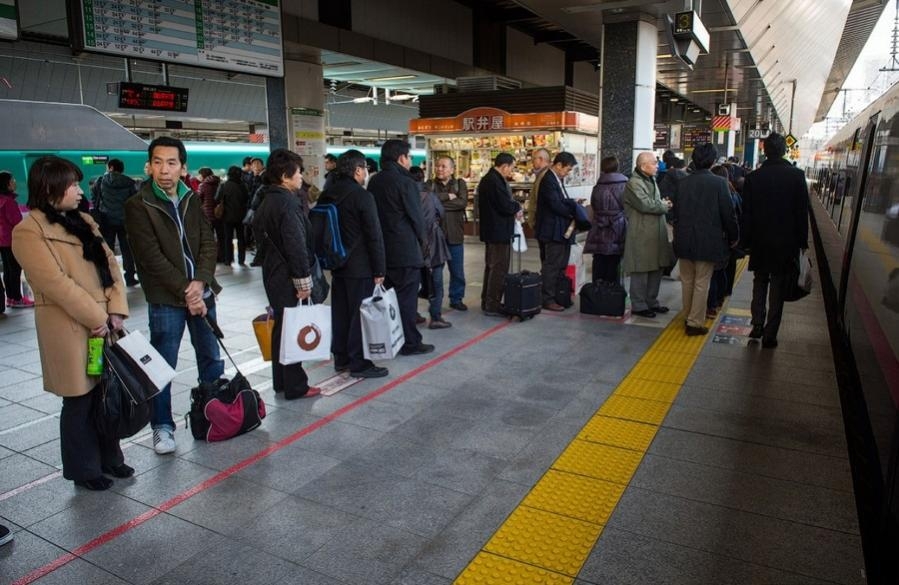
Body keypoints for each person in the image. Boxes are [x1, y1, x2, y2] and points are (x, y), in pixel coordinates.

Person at [12, 155, 130, 489]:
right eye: (73, 184)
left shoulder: (84, 221)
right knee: (80, 398)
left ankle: (112, 458)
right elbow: (55, 283)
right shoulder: (29, 231)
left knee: (107, 389)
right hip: (70, 329)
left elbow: (111, 264)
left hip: (104, 324)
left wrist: (116, 308)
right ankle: (84, 469)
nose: (79, 191)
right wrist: (97, 317)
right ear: (51, 187)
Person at [124, 137, 224, 455]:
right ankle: (162, 427)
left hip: (201, 291)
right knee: (162, 364)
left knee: (210, 357)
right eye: (158, 162)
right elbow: (150, 257)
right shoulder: (138, 205)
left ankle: (214, 414)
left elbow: (208, 242)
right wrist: (187, 289)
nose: (164, 170)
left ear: (183, 167)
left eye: (171, 163)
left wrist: (201, 282)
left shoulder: (191, 198)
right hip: (167, 298)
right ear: (148, 165)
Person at [252, 149, 323, 397]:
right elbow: (296, 244)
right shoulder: (288, 203)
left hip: (272, 273)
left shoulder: (266, 199)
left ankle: (281, 380)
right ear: (285, 176)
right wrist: (303, 281)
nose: (301, 177)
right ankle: (296, 385)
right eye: (298, 172)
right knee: (292, 327)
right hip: (287, 276)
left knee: (282, 326)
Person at [317, 150, 389, 378]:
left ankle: (341, 358)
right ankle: (359, 363)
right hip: (360, 266)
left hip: (337, 263)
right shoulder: (362, 196)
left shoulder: (327, 193)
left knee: (341, 312)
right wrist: (379, 269)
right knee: (359, 315)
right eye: (365, 169)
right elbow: (374, 235)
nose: (366, 173)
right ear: (358, 170)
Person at [741, 133, 809, 348]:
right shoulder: (797, 176)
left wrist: (746, 241)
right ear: (784, 151)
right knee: (778, 286)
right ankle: (770, 334)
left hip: (760, 241)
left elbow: (747, 214)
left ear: (764, 150)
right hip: (786, 243)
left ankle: (757, 325)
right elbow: (801, 213)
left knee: (759, 282)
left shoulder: (753, 177)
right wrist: (802, 242)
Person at [368, 140, 433, 355]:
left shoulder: (375, 181)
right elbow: (416, 218)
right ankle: (410, 342)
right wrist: (424, 242)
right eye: (410, 156)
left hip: (382, 250)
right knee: (406, 298)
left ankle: (391, 337)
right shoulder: (406, 182)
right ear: (401, 158)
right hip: (405, 250)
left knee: (389, 296)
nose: (411, 161)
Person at [672, 144, 739, 335]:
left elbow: (675, 212)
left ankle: (687, 315)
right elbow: (729, 214)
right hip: (708, 241)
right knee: (702, 282)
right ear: (712, 161)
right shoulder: (719, 183)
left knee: (687, 280)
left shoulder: (682, 183)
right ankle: (694, 322)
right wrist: (734, 237)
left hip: (684, 239)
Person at [622, 152, 674, 318]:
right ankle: (638, 305)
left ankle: (651, 301)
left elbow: (654, 203)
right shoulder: (633, 183)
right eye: (654, 163)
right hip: (641, 234)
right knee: (641, 269)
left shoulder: (650, 179)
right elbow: (645, 205)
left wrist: (661, 204)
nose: (657, 165)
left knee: (656, 268)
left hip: (655, 233)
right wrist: (664, 205)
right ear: (643, 166)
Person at [477, 152, 522, 316]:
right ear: (505, 166)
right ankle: (493, 304)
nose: (511, 171)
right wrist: (517, 207)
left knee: (492, 266)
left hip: (493, 230)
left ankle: (487, 301)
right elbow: (504, 205)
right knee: (498, 267)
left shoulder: (489, 179)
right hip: (498, 231)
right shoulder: (494, 181)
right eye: (511, 168)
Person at [535, 152, 579, 311]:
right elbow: (555, 204)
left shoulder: (556, 179)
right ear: (558, 165)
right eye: (567, 169)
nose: (567, 173)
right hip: (551, 229)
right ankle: (547, 298)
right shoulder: (548, 179)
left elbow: (560, 201)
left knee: (561, 264)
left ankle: (559, 294)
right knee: (552, 265)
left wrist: (572, 204)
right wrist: (572, 211)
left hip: (560, 230)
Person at [424, 156, 468, 311]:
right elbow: (427, 201)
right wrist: (447, 197)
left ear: (452, 169)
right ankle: (435, 302)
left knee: (457, 271)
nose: (439, 169)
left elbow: (462, 202)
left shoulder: (459, 184)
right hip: (436, 237)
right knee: (436, 273)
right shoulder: (430, 184)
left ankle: (456, 298)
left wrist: (438, 204)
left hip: (455, 234)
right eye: (437, 166)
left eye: (443, 166)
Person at [91, 159, 139, 286]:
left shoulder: (101, 181)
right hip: (124, 221)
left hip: (106, 221)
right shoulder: (129, 182)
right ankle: (129, 277)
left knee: (107, 250)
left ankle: (109, 278)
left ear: (111, 167)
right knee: (127, 250)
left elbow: (94, 198)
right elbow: (134, 202)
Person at [584, 156, 627, 283]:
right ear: (617, 167)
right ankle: (612, 293)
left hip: (599, 226)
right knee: (614, 260)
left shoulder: (597, 186)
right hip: (617, 226)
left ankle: (597, 291)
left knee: (599, 258)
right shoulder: (624, 185)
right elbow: (627, 206)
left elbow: (594, 206)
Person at [418, 173, 452, 329]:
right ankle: (436, 317)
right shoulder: (430, 196)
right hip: (433, 243)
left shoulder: (406, 196)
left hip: (414, 244)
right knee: (436, 281)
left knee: (414, 282)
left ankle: (412, 315)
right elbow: (441, 213)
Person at [0, 171, 32, 309]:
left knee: (7, 270)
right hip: (11, 240)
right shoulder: (9, 202)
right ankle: (17, 298)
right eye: (12, 180)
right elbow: (17, 221)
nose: (14, 182)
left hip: (2, 240)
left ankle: (11, 298)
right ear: (6, 184)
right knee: (15, 269)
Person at [218, 166, 250, 266]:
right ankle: (241, 260)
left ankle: (228, 260)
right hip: (241, 216)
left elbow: (217, 197)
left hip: (227, 216)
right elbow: (247, 198)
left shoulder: (224, 185)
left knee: (228, 238)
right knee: (241, 238)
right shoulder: (243, 185)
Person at [196, 168, 225, 264]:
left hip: (207, 215)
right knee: (221, 236)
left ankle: (211, 258)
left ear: (203, 175)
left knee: (208, 238)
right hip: (219, 214)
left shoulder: (203, 185)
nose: (198, 177)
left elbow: (198, 198)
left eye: (200, 174)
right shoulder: (219, 183)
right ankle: (222, 256)